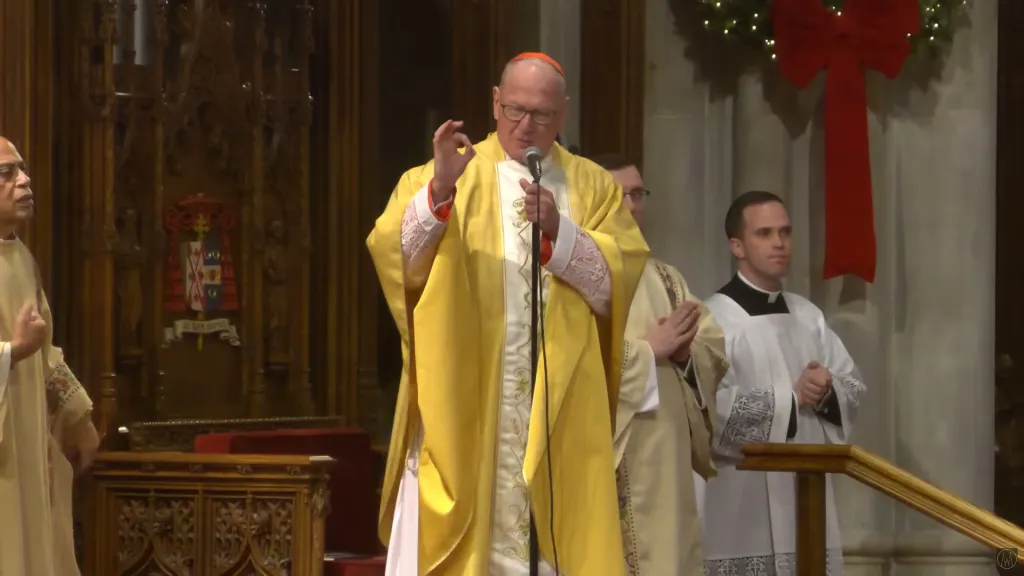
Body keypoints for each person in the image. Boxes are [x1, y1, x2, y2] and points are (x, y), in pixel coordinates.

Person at [367, 53, 649, 575]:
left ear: (563, 114)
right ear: (495, 103)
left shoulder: (591, 187)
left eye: (541, 115)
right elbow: (399, 261)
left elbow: (618, 285)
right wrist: (440, 194)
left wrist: (561, 235)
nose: (525, 125)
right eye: (514, 109)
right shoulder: (447, 172)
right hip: (469, 406)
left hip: (559, 407)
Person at [701, 191, 866, 575]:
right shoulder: (714, 319)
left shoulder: (808, 316)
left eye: (785, 232)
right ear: (737, 246)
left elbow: (852, 385)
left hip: (805, 494)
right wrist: (790, 399)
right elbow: (707, 411)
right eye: (765, 233)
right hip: (742, 504)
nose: (779, 243)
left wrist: (826, 389)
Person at [591, 153, 728, 575]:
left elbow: (712, 351)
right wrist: (649, 351)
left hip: (664, 464)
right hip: (602, 459)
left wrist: (687, 354)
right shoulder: (573, 277)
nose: (632, 206)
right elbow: (566, 366)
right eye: (619, 196)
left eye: (638, 194)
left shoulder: (668, 280)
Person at [0, 136, 101, 575]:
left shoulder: (23, 259)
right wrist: (14, 350)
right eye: (6, 173)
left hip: (25, 446)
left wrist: (78, 417)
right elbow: (28, 350)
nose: (24, 181)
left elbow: (47, 356)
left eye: (22, 170)